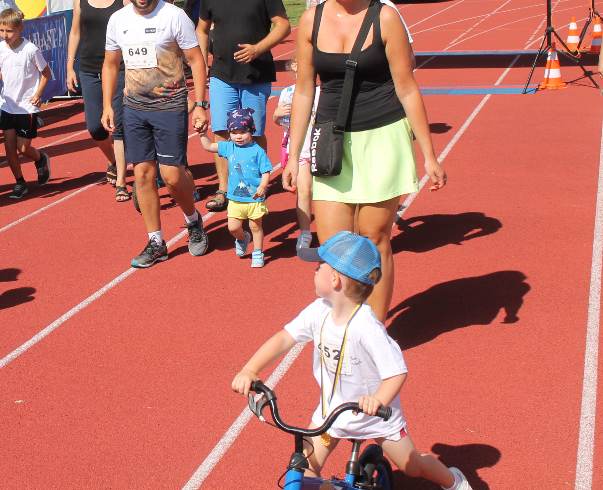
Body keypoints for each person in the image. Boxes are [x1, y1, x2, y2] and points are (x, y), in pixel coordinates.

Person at [283, 0, 446, 323]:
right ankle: (344, 327)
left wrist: (429, 154)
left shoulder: (385, 17)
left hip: (382, 138)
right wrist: (292, 157)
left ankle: (373, 331)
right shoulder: (310, 20)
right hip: (331, 142)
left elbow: (407, 88)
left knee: (373, 240)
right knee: (335, 247)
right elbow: (304, 90)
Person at [232, 232, 472, 490]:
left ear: (335, 279)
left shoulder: (367, 327)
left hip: (376, 416)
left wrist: (377, 400)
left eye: (319, 267)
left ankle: (455, 482)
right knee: (303, 470)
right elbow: (284, 338)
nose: (314, 271)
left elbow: (396, 372)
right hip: (332, 413)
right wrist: (250, 369)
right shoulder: (319, 310)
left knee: (412, 466)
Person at [102, 0, 210, 268]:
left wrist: (200, 104)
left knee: (172, 176)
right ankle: (156, 241)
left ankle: (192, 219)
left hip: (170, 106)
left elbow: (196, 60)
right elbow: (110, 64)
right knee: (143, 174)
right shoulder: (118, 20)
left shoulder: (174, 16)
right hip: (134, 108)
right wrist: (107, 104)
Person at [195, 0, 290, 213]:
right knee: (222, 132)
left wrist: (258, 49)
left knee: (254, 132)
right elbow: (202, 29)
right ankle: (224, 189)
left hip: (255, 75)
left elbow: (283, 25)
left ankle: (255, 185)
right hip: (222, 74)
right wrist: (203, 60)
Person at [66, 0, 131, 201]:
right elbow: (76, 31)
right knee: (95, 127)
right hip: (90, 68)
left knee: (119, 125)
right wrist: (70, 66)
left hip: (119, 67)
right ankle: (114, 160)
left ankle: (122, 181)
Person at [0, 9, 53, 198]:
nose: (5, 35)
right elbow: (5, 69)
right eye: (1, 30)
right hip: (7, 104)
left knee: (23, 148)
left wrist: (38, 94)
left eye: (9, 31)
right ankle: (20, 182)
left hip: (27, 106)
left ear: (20, 29)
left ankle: (41, 159)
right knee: (9, 148)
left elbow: (46, 72)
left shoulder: (30, 50)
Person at [198, 109, 272, 268]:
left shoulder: (258, 151)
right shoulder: (229, 147)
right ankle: (243, 239)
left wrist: (263, 186)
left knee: (255, 227)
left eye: (243, 132)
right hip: (235, 198)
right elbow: (209, 146)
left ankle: (258, 252)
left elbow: (266, 171)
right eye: (234, 132)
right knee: (233, 227)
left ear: (251, 131)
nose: (238, 136)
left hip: (254, 198)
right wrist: (202, 134)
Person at [273, 55, 319, 251]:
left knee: (324, 193)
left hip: (321, 147)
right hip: (300, 149)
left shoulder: (322, 91)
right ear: (294, 65)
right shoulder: (288, 92)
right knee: (305, 190)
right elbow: (283, 122)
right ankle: (305, 232)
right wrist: (276, 115)